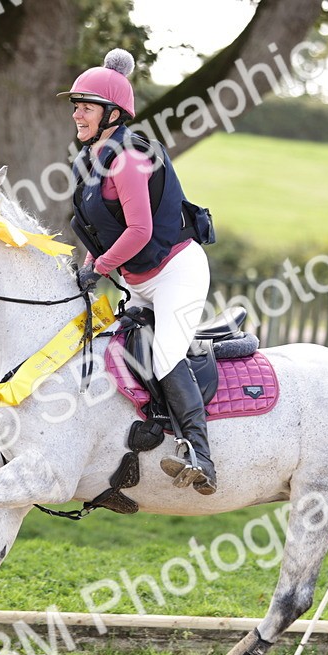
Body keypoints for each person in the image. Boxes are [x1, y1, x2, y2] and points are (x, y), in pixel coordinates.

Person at [60, 49, 217, 494]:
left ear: (112, 114)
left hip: (176, 273)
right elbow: (102, 232)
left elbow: (140, 230)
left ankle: (200, 456)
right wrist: (90, 265)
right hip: (139, 282)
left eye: (86, 107)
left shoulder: (127, 159)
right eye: (76, 106)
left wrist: (100, 268)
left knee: (165, 355)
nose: (77, 114)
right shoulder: (89, 160)